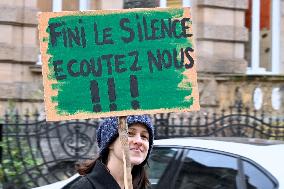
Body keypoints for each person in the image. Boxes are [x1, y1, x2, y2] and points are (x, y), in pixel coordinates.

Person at [70, 115, 154, 189]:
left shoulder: (144, 186)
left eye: (144, 136)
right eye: (129, 133)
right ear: (110, 143)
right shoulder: (84, 187)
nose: (139, 141)